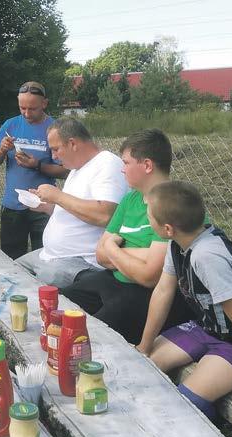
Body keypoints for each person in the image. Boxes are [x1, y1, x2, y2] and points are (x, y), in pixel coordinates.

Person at [61, 129, 194, 344]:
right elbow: (99, 255)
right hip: (112, 280)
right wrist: (142, 254)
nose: (122, 170)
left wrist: (114, 249)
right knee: (59, 304)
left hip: (144, 295)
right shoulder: (130, 200)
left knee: (87, 339)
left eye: (126, 163)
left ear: (147, 165)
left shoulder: (174, 205)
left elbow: (149, 276)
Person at [136, 181, 232, 420]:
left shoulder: (207, 257)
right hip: (206, 328)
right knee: (143, 368)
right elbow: (163, 291)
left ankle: (206, 430)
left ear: (167, 228)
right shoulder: (178, 245)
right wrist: (144, 346)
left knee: (186, 403)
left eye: (149, 215)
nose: (147, 218)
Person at [16, 117, 128, 288]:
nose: (53, 156)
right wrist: (47, 206)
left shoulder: (107, 164)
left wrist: (58, 196)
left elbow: (105, 214)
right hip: (50, 255)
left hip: (81, 262)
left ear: (73, 144)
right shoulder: (77, 168)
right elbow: (73, 210)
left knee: (26, 290)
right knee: (8, 270)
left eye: (55, 149)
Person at [0, 81, 67, 259]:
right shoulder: (11, 125)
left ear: (44, 104)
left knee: (45, 257)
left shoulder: (55, 129)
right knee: (11, 259)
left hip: (43, 206)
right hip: (13, 206)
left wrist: (37, 165)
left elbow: (66, 171)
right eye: (22, 108)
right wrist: (2, 149)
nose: (26, 113)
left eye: (32, 109)